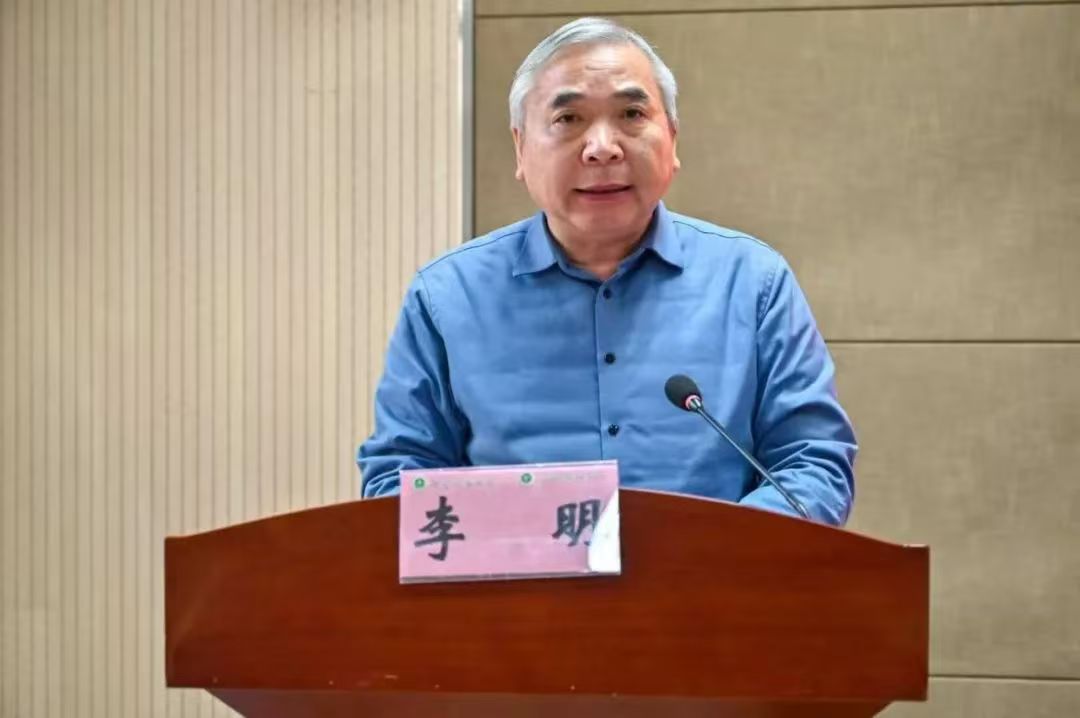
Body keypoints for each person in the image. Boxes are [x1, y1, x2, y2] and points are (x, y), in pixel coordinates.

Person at [357, 17, 856, 525]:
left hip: (715, 576)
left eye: (631, 114)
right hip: (512, 578)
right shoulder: (446, 298)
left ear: (672, 139)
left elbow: (812, 465)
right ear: (521, 148)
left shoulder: (753, 283)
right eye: (568, 118)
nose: (602, 147)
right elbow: (398, 480)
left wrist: (709, 555)